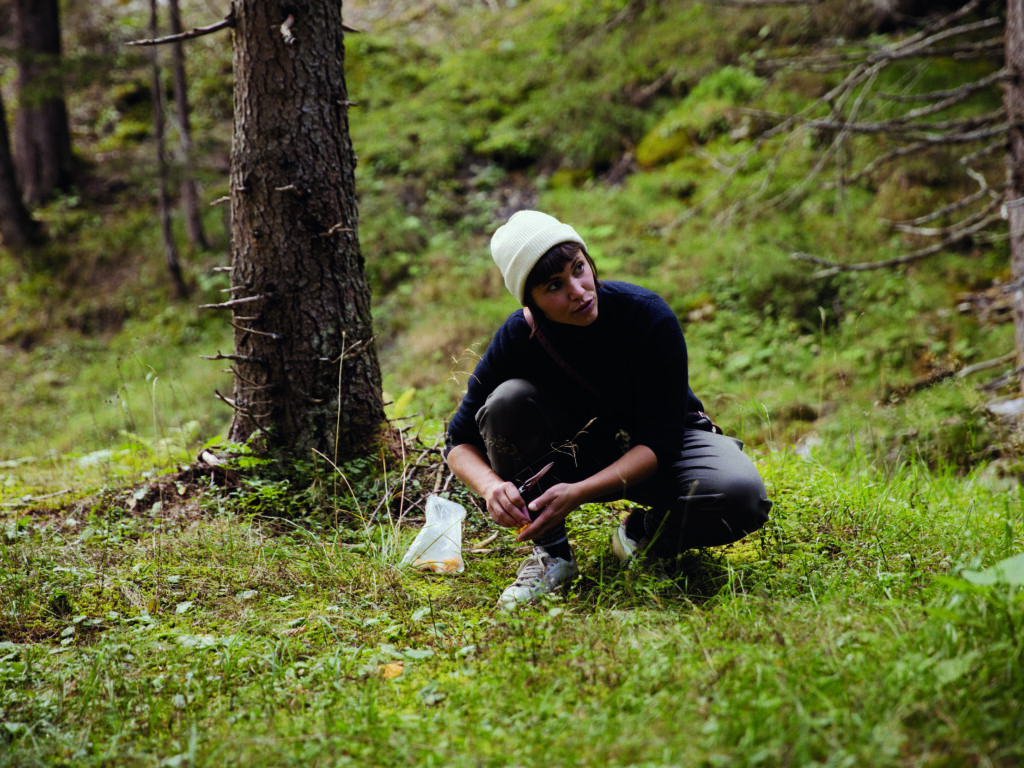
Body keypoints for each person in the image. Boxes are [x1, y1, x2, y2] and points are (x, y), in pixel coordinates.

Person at [445, 210, 772, 609]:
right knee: (506, 400)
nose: (579, 291)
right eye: (554, 285)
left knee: (741, 496)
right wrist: (491, 487)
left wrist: (579, 493)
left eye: (579, 268)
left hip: (658, 454)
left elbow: (662, 443)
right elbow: (458, 442)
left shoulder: (646, 316)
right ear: (530, 301)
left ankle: (642, 533)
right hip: (576, 455)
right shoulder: (519, 337)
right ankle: (553, 557)